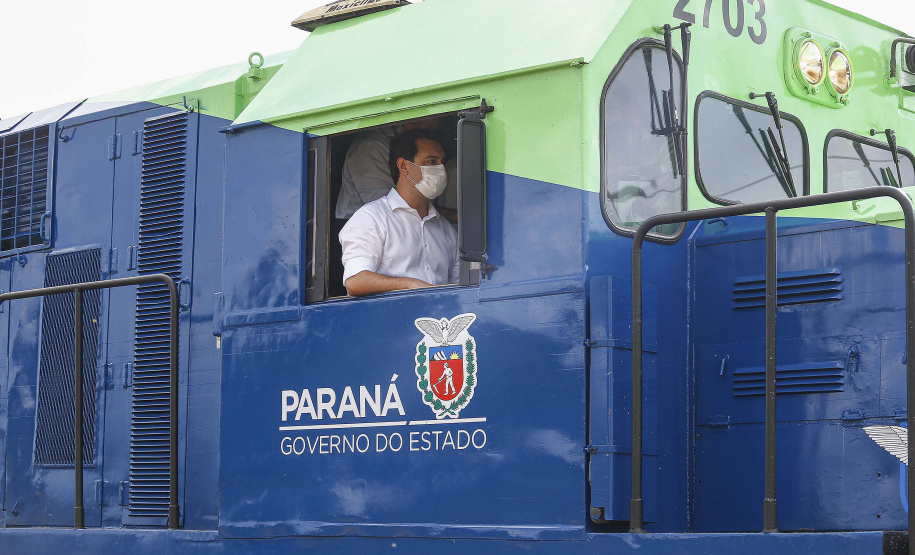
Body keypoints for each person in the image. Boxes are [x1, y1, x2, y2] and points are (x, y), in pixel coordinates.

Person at [339, 130, 460, 297]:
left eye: (442, 162)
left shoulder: (446, 229)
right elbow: (355, 281)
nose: (440, 169)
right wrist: (410, 284)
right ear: (403, 166)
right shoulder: (371, 218)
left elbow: (457, 289)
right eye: (431, 161)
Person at [335, 117, 439, 220]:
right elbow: (384, 205)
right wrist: (449, 214)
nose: (422, 131)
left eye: (430, 126)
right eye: (416, 124)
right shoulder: (371, 145)